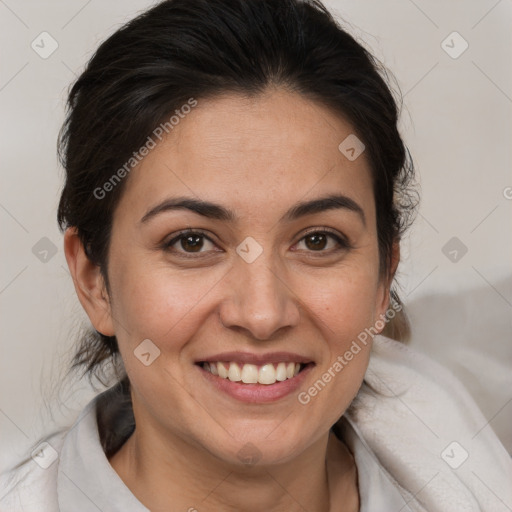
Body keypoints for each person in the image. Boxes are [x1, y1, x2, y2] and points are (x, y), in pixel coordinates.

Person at [1, 0, 511, 510]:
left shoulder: (469, 468)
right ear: (94, 280)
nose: (263, 314)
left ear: (383, 279)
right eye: (192, 242)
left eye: (318, 240)